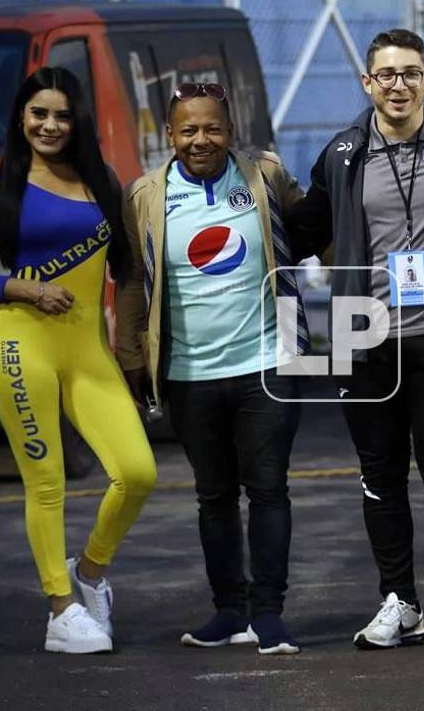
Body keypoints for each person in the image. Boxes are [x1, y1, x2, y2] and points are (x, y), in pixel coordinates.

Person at [287, 29, 424, 653]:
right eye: (386, 75)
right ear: (367, 83)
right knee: (378, 476)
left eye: (411, 73)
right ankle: (400, 602)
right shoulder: (344, 153)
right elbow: (307, 226)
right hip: (366, 339)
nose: (399, 85)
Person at [0, 66, 157, 654]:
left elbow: (126, 269)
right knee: (47, 484)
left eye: (61, 115)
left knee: (138, 471)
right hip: (20, 346)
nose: (49, 125)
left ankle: (88, 575)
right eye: (38, 113)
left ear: (78, 121)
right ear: (21, 117)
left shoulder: (102, 181)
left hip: (88, 350)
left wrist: (131, 347)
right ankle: (60, 610)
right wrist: (27, 289)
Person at [114, 81, 308, 656]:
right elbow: (129, 283)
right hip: (189, 372)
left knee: (269, 490)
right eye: (189, 130)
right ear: (170, 135)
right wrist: (131, 357)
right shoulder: (145, 195)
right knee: (213, 496)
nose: (202, 139)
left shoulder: (264, 177)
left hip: (268, 364)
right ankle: (229, 610)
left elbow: (315, 228)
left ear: (230, 130)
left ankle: (268, 614)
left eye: (212, 128)